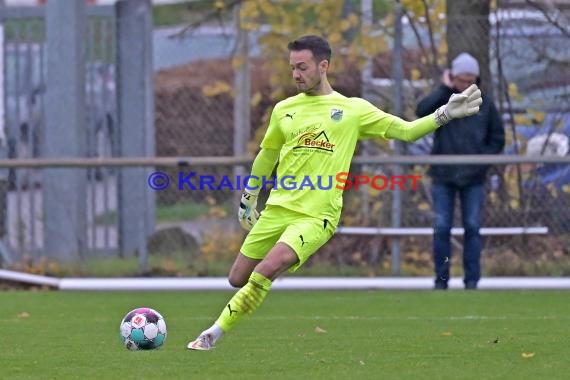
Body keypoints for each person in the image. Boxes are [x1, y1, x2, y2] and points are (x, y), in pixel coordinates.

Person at [187, 36, 483, 350]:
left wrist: (445, 114)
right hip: (277, 209)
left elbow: (406, 131)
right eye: (292, 68)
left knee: (267, 269)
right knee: (237, 278)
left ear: (323, 66)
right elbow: (267, 155)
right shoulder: (284, 110)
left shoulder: (352, 109)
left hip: (317, 216)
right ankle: (244, 302)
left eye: (302, 67)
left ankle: (212, 334)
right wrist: (249, 195)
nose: (296, 74)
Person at [415, 52, 505, 291]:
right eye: (461, 80)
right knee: (442, 227)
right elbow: (420, 112)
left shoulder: (485, 105)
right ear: (452, 77)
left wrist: (481, 162)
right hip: (443, 175)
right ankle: (441, 280)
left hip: (474, 177)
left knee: (472, 227)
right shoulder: (443, 101)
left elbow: (497, 138)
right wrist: (443, 90)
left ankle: (472, 281)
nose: (465, 86)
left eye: (470, 81)